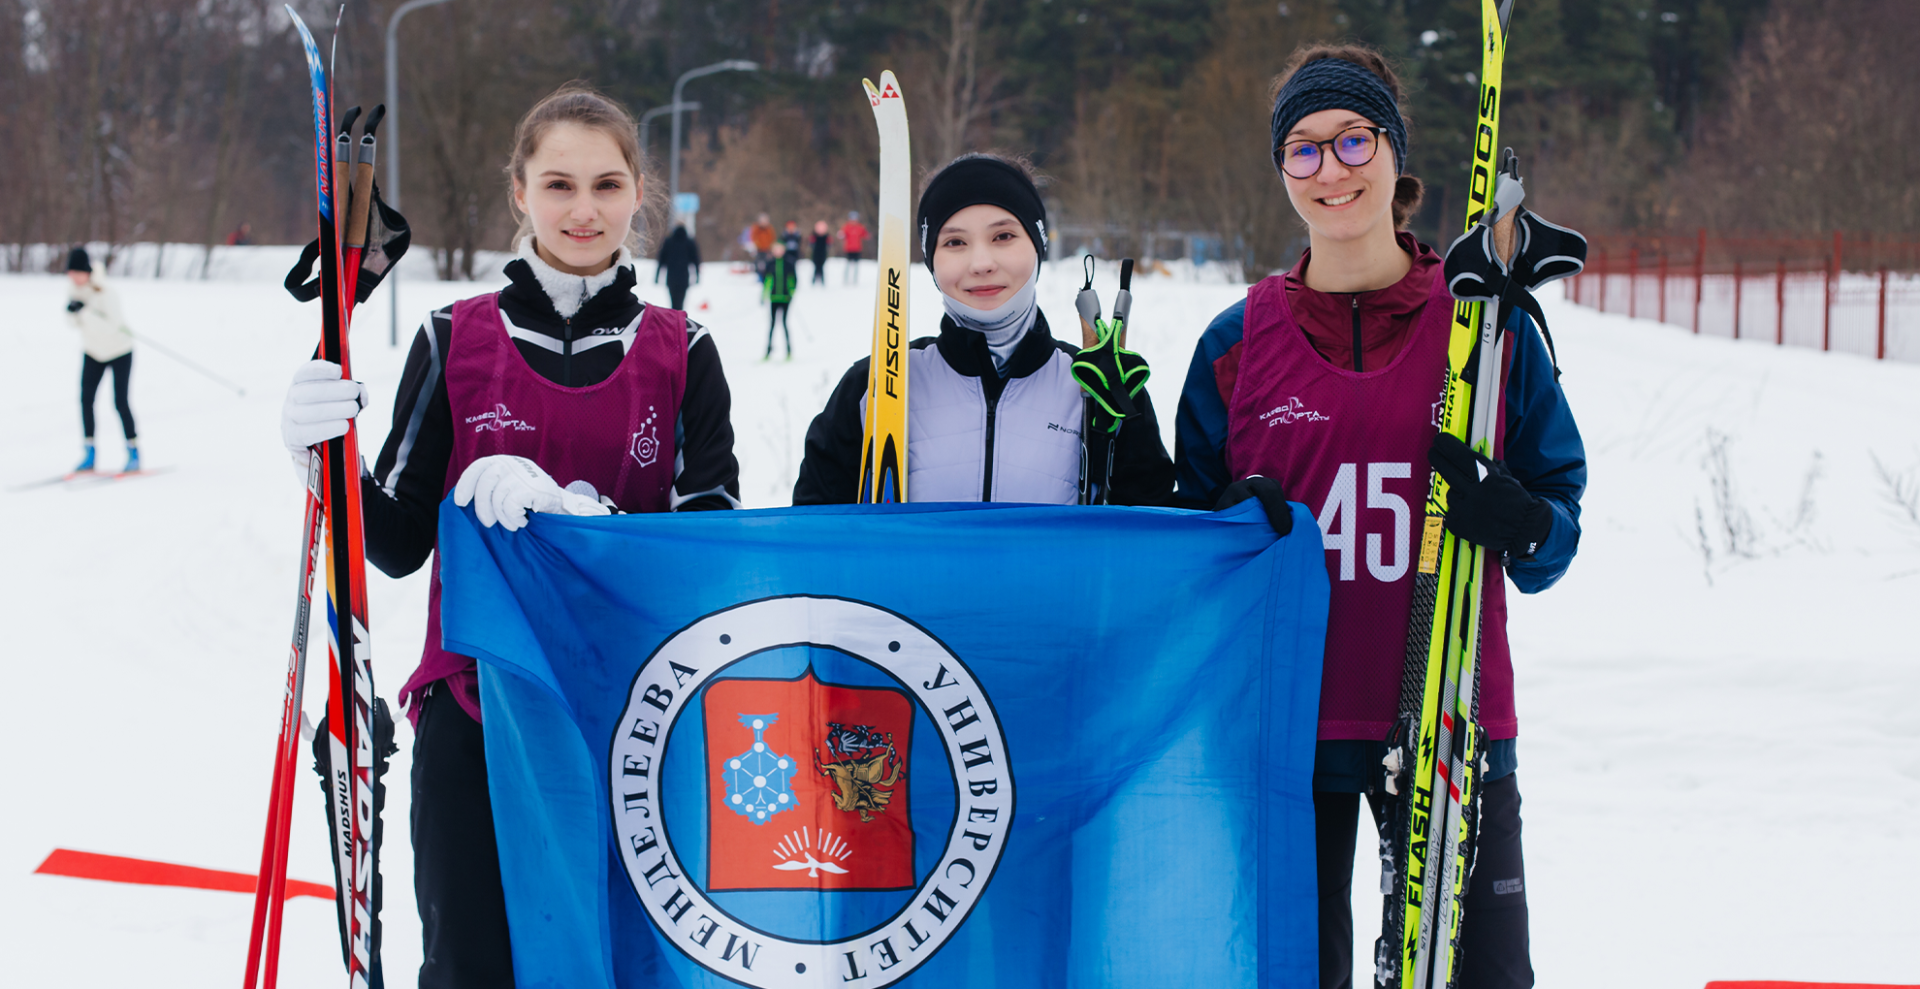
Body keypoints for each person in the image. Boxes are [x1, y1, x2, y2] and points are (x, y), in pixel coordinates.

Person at [278, 83, 741, 989]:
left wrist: (588, 527)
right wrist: (324, 466)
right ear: (520, 193)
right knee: (471, 965)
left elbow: (709, 551)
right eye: (558, 183)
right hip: (474, 709)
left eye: (607, 185)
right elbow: (402, 541)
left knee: (621, 959)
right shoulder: (457, 339)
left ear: (638, 193)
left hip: (632, 718)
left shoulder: (682, 351)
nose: (584, 208)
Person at [1172, 46, 1586, 989]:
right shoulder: (1236, 346)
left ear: (1396, 156)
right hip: (1285, 728)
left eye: (1355, 140)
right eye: (1305, 150)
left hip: (1451, 721)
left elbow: (1556, 527)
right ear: (1282, 172)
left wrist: (1519, 520)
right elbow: (1180, 550)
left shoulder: (1487, 326)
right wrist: (1218, 531)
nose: (1333, 169)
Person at [794, 153, 1173, 507]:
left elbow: (1154, 545)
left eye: (1003, 236)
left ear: (1037, 245)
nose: (981, 262)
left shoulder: (1100, 385)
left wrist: (1128, 421)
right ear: (931, 261)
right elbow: (812, 549)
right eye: (955, 242)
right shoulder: (875, 385)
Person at [64, 247, 139, 473]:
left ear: (86, 271)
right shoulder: (74, 290)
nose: (73, 278)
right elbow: (72, 324)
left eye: (77, 273)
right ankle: (89, 452)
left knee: (120, 402)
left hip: (119, 350)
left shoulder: (106, 291)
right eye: (70, 273)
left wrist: (84, 312)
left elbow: (112, 328)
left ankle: (133, 451)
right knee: (86, 400)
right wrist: (72, 313)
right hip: (93, 351)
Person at [762, 242, 798, 360]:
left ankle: (788, 351)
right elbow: (767, 280)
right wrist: (764, 295)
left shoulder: (789, 263)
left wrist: (791, 292)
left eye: (780, 249)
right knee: (772, 325)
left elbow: (793, 280)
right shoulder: (770, 264)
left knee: (784, 324)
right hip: (774, 298)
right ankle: (768, 352)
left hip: (785, 298)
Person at [654, 222, 701, 310]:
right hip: (684, 278)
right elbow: (696, 260)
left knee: (673, 302)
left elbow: (661, 261)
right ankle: (679, 317)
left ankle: (674, 317)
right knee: (681, 302)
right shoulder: (689, 242)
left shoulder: (668, 242)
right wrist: (697, 276)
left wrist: (657, 276)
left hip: (671, 278)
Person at [838, 210, 868, 285]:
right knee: (848, 265)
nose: (853, 220)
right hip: (848, 249)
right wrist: (841, 234)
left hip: (857, 249)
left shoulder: (860, 227)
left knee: (856, 266)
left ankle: (855, 281)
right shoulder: (846, 226)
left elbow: (865, 235)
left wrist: (866, 231)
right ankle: (846, 280)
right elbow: (841, 235)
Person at [809, 219, 831, 286]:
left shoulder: (827, 236)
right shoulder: (814, 236)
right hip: (816, 254)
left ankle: (822, 280)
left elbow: (829, 244)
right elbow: (811, 244)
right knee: (816, 267)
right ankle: (814, 280)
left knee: (821, 267)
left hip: (823, 254)